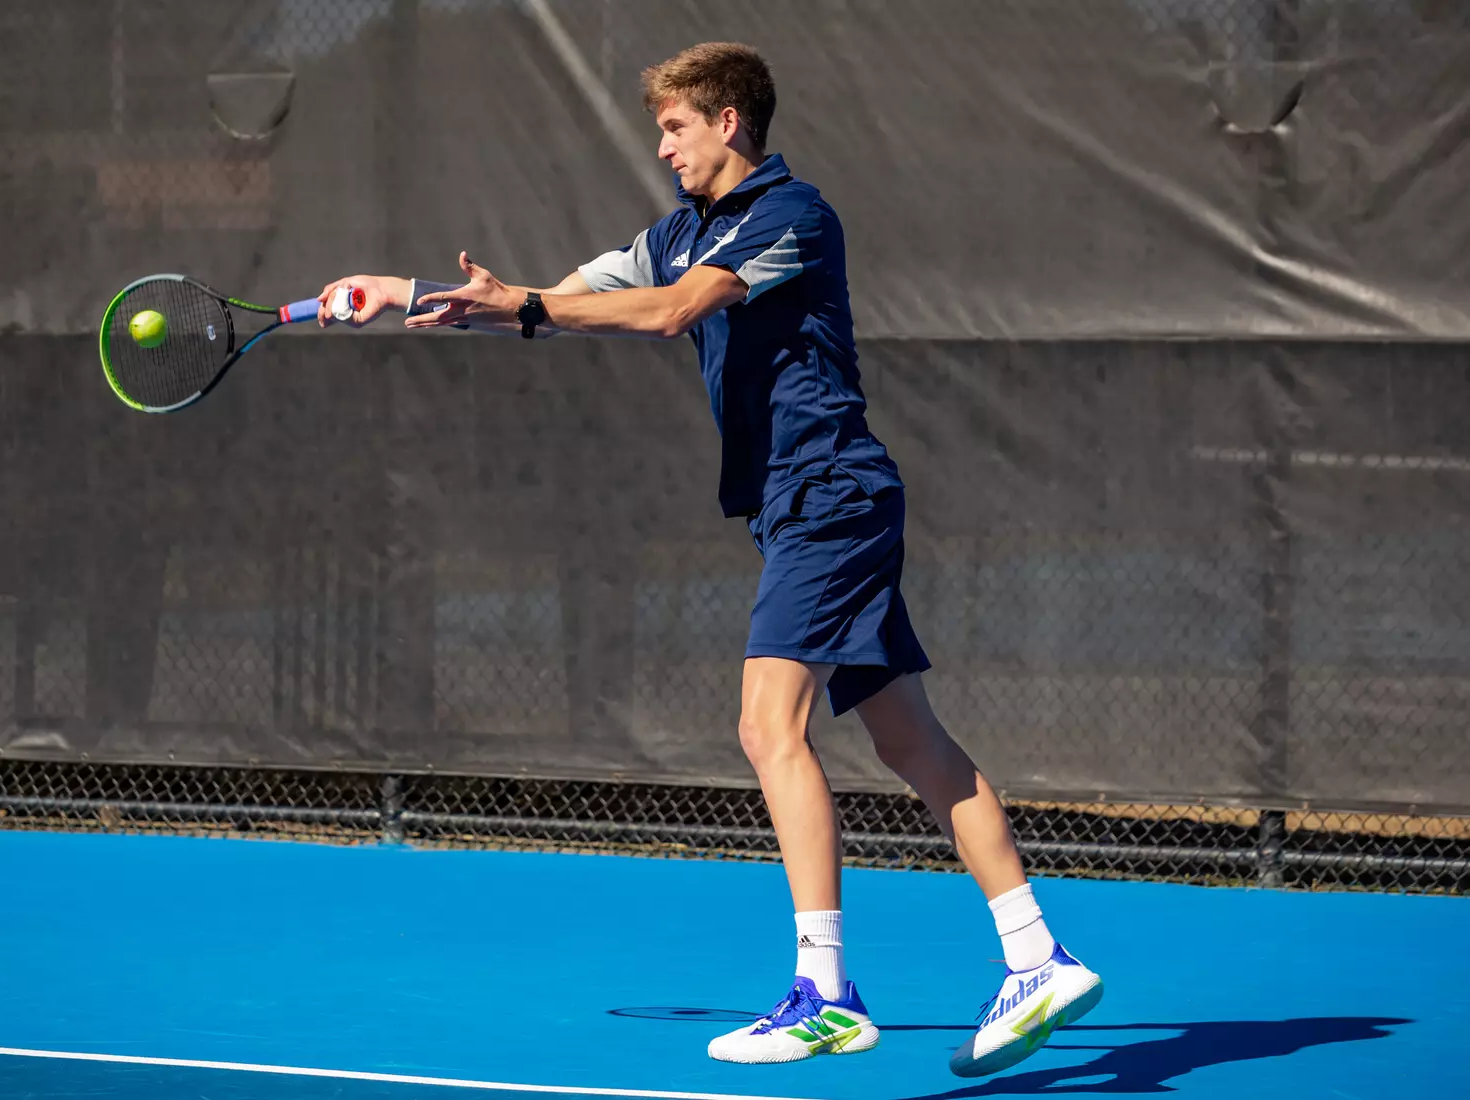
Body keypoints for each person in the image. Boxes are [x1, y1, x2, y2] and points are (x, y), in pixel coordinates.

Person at [315, 41, 1103, 1077]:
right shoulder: (678, 229)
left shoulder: (790, 217)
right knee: (912, 742)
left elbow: (669, 310)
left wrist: (526, 305)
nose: (662, 146)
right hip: (804, 506)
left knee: (764, 721)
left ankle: (825, 991)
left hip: (830, 489)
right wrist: (404, 289)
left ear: (730, 120)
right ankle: (1036, 955)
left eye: (677, 126)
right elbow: (562, 295)